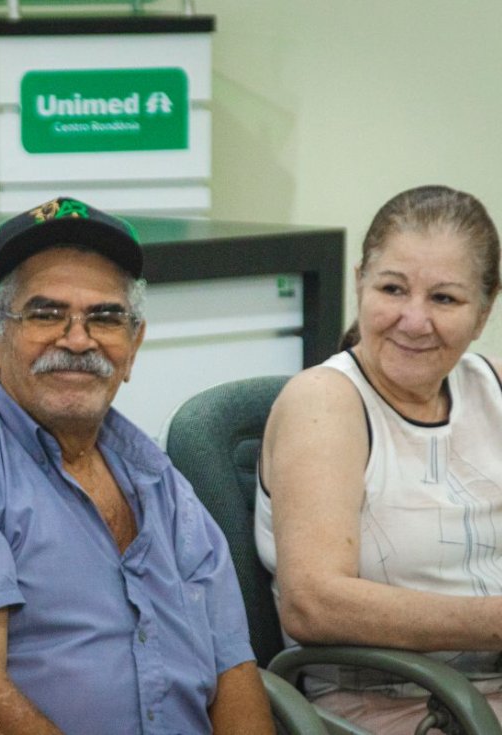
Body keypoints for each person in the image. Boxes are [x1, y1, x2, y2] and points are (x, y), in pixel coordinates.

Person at [0, 196, 275, 735]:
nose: (77, 340)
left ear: (134, 343)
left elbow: (234, 669)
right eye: (46, 314)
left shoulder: (157, 474)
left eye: (105, 317)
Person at [255, 184, 502, 733]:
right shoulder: (325, 401)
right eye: (393, 289)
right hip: (400, 710)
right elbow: (314, 603)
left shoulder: (493, 389)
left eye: (444, 299)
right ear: (360, 282)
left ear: (483, 313)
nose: (414, 321)